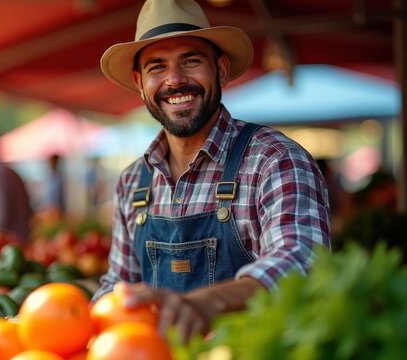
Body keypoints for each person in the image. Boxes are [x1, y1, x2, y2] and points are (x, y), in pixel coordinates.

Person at [93, 0, 331, 342]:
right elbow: (119, 285)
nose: (175, 81)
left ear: (220, 69)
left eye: (191, 61)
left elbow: (303, 262)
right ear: (138, 83)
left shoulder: (274, 160)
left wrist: (208, 303)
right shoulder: (133, 182)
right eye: (156, 67)